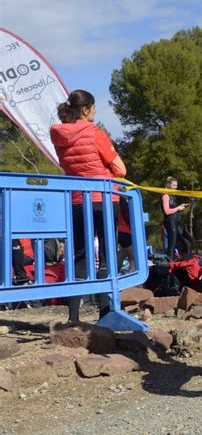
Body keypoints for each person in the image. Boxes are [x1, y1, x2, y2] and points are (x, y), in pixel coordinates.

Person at [50, 90, 126, 324]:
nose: (95, 112)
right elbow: (120, 170)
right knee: (106, 255)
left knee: (80, 256)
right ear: (86, 109)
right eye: (93, 108)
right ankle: (105, 313)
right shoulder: (96, 134)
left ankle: (73, 316)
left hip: (75, 200)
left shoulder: (58, 135)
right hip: (103, 199)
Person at [161, 177, 193, 259]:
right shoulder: (165, 195)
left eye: (176, 185)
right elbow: (167, 211)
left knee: (186, 242)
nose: (175, 187)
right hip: (170, 222)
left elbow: (174, 209)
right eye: (173, 185)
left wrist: (182, 207)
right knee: (172, 244)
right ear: (168, 185)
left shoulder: (173, 196)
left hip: (177, 221)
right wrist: (178, 208)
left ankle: (187, 259)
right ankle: (170, 263)